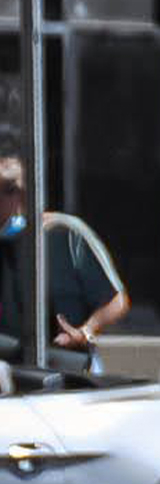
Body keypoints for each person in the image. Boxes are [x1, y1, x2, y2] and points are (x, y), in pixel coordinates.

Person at [0, 157, 126, 372]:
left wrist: (85, 332)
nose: (12, 199)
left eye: (12, 189)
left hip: (69, 368)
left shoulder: (66, 234)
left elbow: (117, 301)